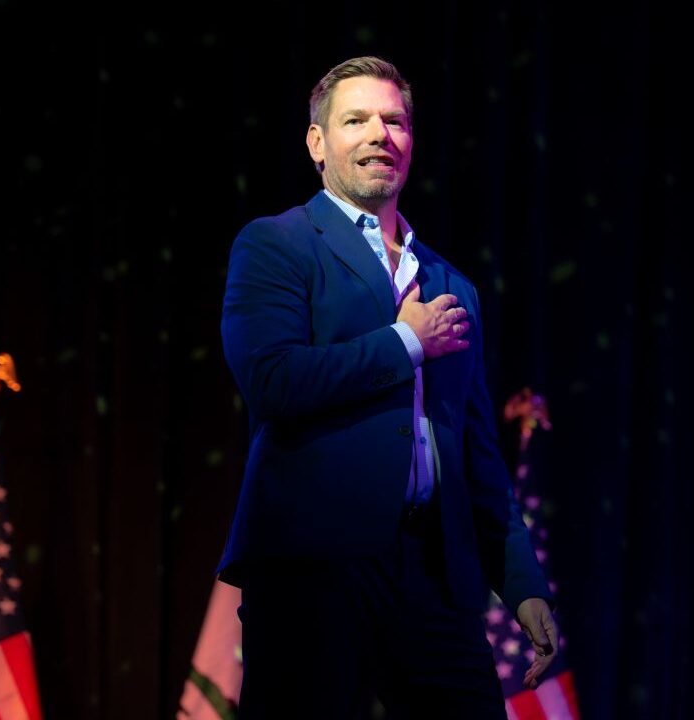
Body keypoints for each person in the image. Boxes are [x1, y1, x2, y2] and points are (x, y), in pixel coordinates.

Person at [218, 56, 558, 719]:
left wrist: (520, 582)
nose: (380, 133)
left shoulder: (451, 283)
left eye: (394, 120)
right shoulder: (277, 245)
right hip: (315, 570)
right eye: (356, 120)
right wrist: (406, 342)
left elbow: (475, 451)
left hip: (434, 573)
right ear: (318, 144)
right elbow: (273, 381)